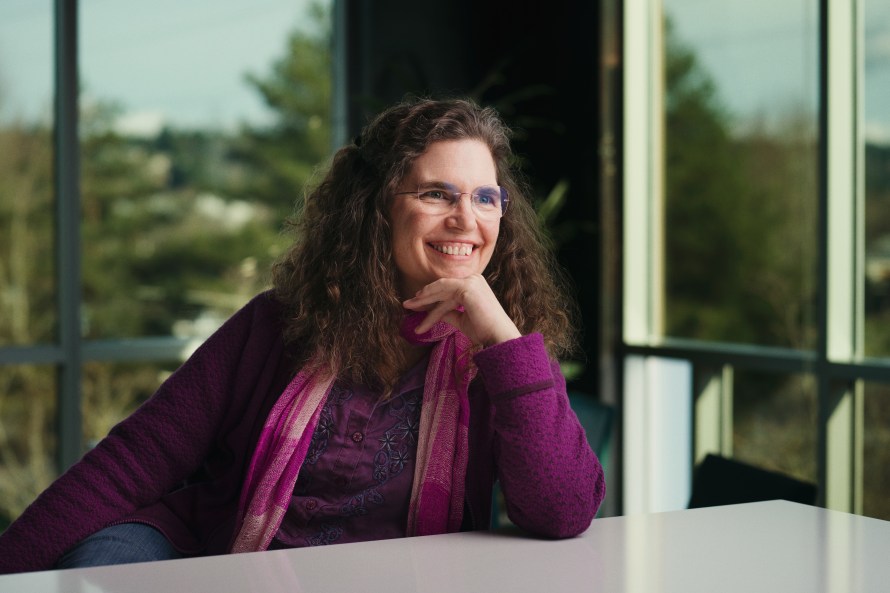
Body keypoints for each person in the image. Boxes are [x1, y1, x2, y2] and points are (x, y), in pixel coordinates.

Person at [0, 97, 605, 574]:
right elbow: (134, 463)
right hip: (214, 557)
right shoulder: (280, 323)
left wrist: (499, 338)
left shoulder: (507, 353)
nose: (466, 219)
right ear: (378, 209)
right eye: (435, 193)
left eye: (484, 197)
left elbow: (563, 511)